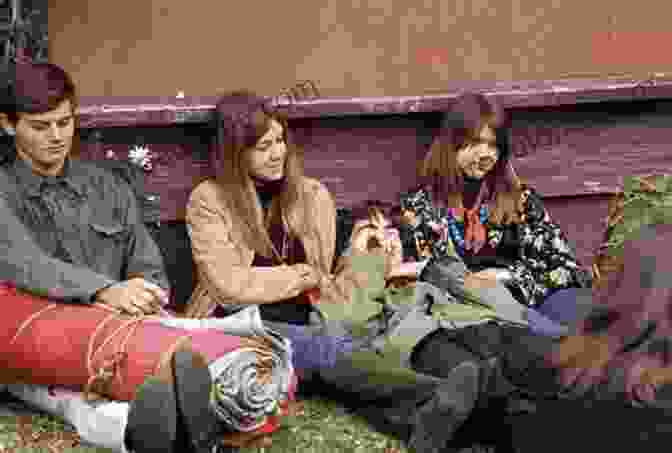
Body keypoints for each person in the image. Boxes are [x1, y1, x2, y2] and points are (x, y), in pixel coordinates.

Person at [184, 89, 500, 453]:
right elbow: (229, 286)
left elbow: (329, 274)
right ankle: (438, 397)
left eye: (280, 140)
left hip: (314, 313)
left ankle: (430, 418)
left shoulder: (311, 195)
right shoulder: (209, 200)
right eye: (262, 146)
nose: (277, 153)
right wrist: (304, 276)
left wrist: (365, 253)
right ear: (235, 151)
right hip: (241, 327)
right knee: (331, 351)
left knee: (350, 352)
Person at [0, 62, 287, 453]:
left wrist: (146, 293)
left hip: (130, 325)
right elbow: (23, 263)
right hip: (42, 340)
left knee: (215, 349)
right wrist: (104, 291)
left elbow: (146, 262)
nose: (56, 136)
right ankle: (156, 427)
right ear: (8, 124)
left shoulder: (105, 185)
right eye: (40, 126)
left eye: (65, 123)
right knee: (73, 396)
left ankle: (181, 422)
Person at [399, 92, 593, 328]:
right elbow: (415, 281)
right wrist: (470, 286)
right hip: (467, 319)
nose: (485, 154)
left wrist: (503, 277)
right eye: (475, 143)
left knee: (577, 305)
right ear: (451, 144)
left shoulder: (520, 201)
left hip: (529, 305)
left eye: (493, 145)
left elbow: (567, 268)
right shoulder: (420, 209)